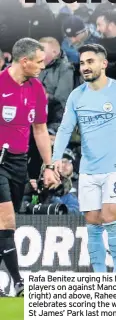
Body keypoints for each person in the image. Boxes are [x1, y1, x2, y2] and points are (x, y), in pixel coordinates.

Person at [52, 43, 116, 273]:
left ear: (103, 63)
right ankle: (100, 277)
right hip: (88, 169)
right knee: (93, 222)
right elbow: (65, 129)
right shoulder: (77, 96)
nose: (85, 67)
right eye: (82, 63)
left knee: (109, 215)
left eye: (90, 62)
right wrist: (55, 158)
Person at [0, 38, 57, 297]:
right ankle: (18, 281)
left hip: (18, 162)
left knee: (4, 226)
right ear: (24, 61)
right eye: (39, 62)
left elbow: (41, 130)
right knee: (7, 220)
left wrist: (49, 165)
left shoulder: (36, 89)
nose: (42, 66)